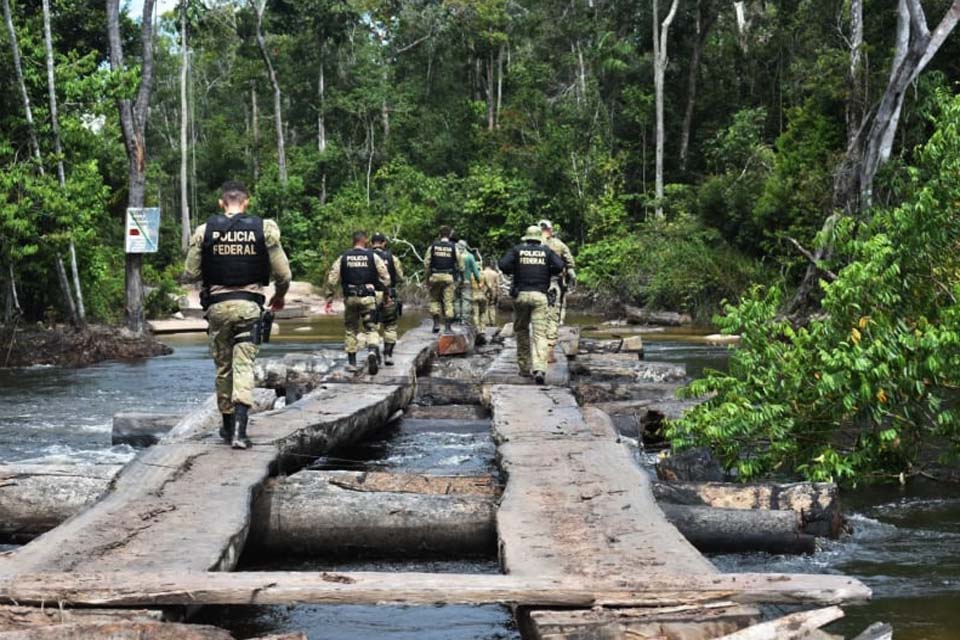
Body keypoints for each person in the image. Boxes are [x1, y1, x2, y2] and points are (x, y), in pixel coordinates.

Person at [183, 181, 290, 450]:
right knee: (244, 366)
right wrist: (279, 296)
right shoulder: (264, 229)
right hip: (249, 307)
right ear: (247, 202)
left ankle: (228, 427)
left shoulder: (204, 230)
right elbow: (283, 275)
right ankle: (241, 432)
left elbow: (190, 274)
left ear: (221, 203)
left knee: (224, 368)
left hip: (217, 308)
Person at [498, 225, 564, 385]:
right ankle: (539, 368)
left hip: (521, 296)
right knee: (540, 334)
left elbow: (503, 265)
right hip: (540, 296)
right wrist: (548, 270)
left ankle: (524, 367)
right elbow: (560, 266)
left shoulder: (517, 250)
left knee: (521, 331)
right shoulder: (546, 251)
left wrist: (516, 268)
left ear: (526, 238)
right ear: (539, 238)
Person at [324, 231, 391, 375]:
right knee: (371, 328)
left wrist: (329, 297)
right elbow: (386, 277)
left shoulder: (343, 257)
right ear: (365, 241)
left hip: (350, 298)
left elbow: (332, 279)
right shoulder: (373, 256)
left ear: (353, 241)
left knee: (351, 330)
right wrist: (384, 292)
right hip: (368, 297)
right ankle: (372, 351)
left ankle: (352, 363)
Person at [539, 219, 576, 363]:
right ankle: (549, 350)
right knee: (553, 316)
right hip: (553, 284)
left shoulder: (529, 246)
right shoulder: (558, 244)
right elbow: (570, 264)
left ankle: (537, 350)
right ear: (550, 230)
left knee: (537, 316)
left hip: (534, 286)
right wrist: (571, 277)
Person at [371, 232, 404, 366]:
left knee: (372, 327)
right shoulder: (392, 258)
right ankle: (388, 355)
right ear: (384, 243)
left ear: (371, 243)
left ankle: (373, 352)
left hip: (371, 295)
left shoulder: (367, 257)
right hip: (388, 295)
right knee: (390, 326)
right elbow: (400, 276)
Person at [423, 226, 463, 333]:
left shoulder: (433, 246)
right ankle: (448, 327)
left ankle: (436, 324)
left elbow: (426, 263)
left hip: (435, 276)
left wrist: (427, 278)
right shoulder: (454, 247)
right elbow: (461, 264)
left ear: (439, 235)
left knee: (434, 300)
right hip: (448, 276)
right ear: (449, 235)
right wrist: (460, 277)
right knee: (448, 301)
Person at [458, 239, 482, 331]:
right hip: (466, 281)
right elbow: (475, 271)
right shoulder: (470, 256)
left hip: (455, 281)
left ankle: (456, 318)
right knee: (466, 300)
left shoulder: (455, 255)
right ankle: (464, 320)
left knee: (456, 299)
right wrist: (479, 281)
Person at [479, 263, 500, 330]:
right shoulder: (495, 273)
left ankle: (486, 322)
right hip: (493, 291)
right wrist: (498, 293)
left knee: (485, 307)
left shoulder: (482, 273)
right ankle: (493, 322)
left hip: (484, 292)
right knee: (492, 306)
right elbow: (498, 285)